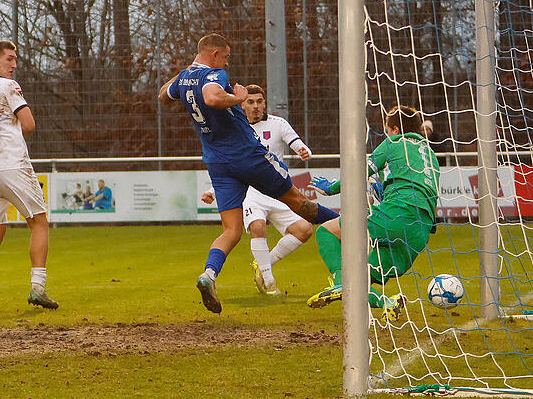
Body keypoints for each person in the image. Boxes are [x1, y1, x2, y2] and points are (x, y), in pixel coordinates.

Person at [157, 33, 338, 314]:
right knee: (298, 201)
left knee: (231, 230)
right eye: (226, 56)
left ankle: (208, 275)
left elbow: (162, 96)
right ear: (214, 54)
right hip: (247, 156)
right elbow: (212, 97)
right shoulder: (214, 74)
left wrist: (181, 79)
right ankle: (352, 225)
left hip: (217, 162)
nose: (227, 62)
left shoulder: (185, 77)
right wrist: (236, 96)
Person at [307, 105, 439, 323]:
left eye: (387, 129)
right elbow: (424, 194)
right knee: (361, 280)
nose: (386, 133)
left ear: (395, 129)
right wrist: (385, 191)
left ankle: (339, 281)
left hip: (397, 214)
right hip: (420, 231)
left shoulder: (395, 142)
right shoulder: (430, 155)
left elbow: (359, 169)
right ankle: (388, 301)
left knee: (326, 232)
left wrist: (331, 188)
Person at [0, 40, 59, 311]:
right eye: (9, 59)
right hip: (12, 164)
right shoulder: (9, 86)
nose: (14, 65)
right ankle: (38, 287)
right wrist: (15, 133)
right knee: (39, 222)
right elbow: (29, 123)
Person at [200, 84, 314, 295]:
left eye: (259, 101)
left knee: (304, 230)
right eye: (250, 102)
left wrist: (303, 150)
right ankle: (270, 285)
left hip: (276, 189)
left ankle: (263, 265)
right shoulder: (236, 128)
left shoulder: (278, 123)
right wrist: (213, 190)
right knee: (258, 226)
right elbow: (232, 167)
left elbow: (296, 142)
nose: (255, 106)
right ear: (241, 104)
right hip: (250, 193)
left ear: (264, 103)